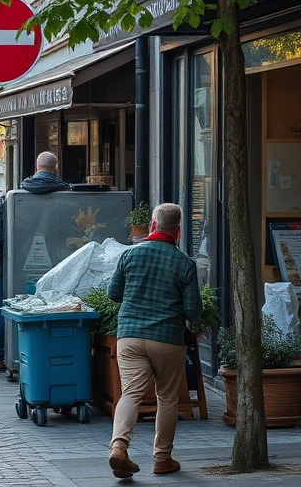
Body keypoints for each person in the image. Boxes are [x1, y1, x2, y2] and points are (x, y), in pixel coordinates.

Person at [106, 202, 202, 478]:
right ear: (179, 231)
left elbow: (114, 294)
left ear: (152, 225)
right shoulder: (185, 263)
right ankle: (162, 459)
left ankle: (119, 446)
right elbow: (193, 310)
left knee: (131, 394)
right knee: (168, 398)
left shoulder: (129, 256)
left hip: (130, 335)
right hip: (167, 338)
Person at [0, 152, 70, 371]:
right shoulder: (67, 196)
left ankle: (4, 354)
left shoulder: (11, 197)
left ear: (36, 167)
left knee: (1, 310)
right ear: (55, 168)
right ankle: (43, 353)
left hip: (8, 266)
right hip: (54, 265)